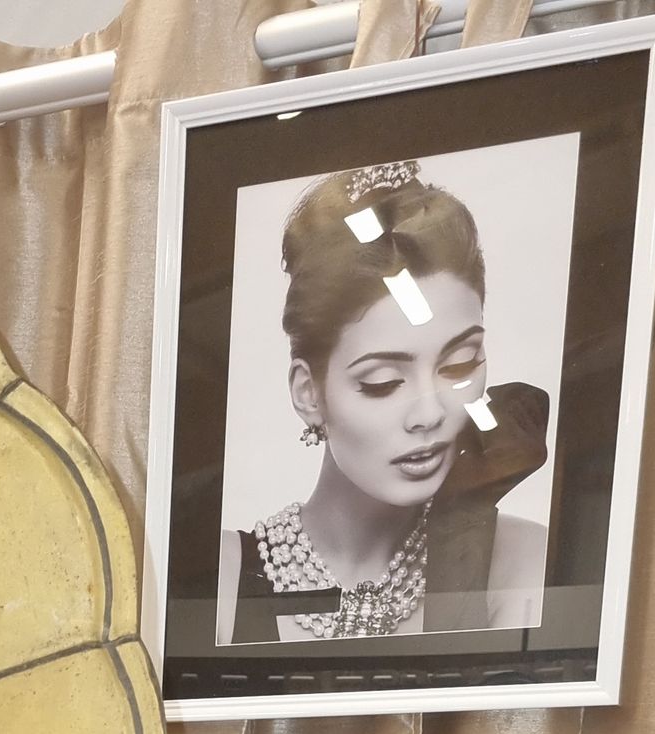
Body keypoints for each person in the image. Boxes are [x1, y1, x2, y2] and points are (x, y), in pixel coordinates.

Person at [219, 160, 550, 646]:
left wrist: (461, 532)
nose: (430, 414)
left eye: (460, 365)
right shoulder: (221, 577)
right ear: (308, 393)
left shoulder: (526, 561)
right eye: (383, 382)